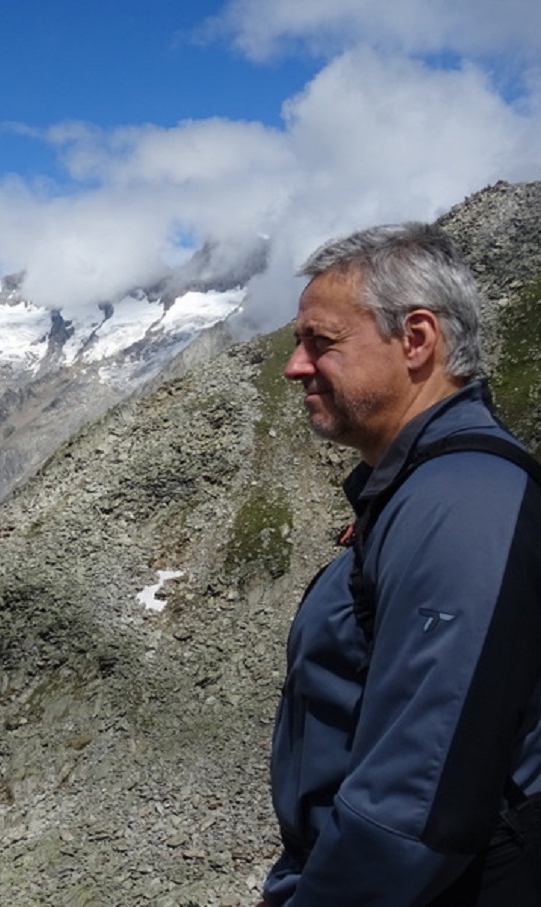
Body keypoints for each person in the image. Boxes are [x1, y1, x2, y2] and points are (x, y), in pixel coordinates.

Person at [260, 222, 541, 905]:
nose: (296, 366)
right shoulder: (425, 488)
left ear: (416, 340)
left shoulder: (463, 502)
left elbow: (415, 799)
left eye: (320, 343)